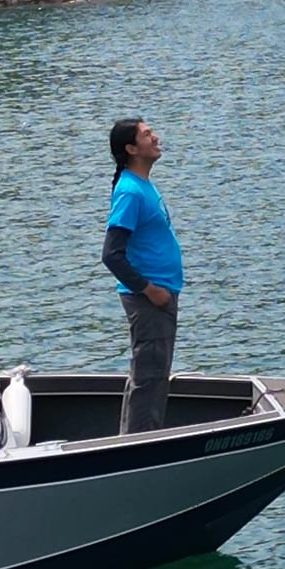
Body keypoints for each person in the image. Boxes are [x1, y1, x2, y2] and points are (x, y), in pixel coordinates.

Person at [101, 116, 184, 434]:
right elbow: (111, 255)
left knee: (152, 375)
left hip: (161, 294)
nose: (156, 137)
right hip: (150, 299)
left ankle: (136, 439)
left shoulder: (141, 185)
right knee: (149, 378)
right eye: (148, 134)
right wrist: (149, 290)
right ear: (131, 148)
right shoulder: (131, 193)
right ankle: (140, 446)